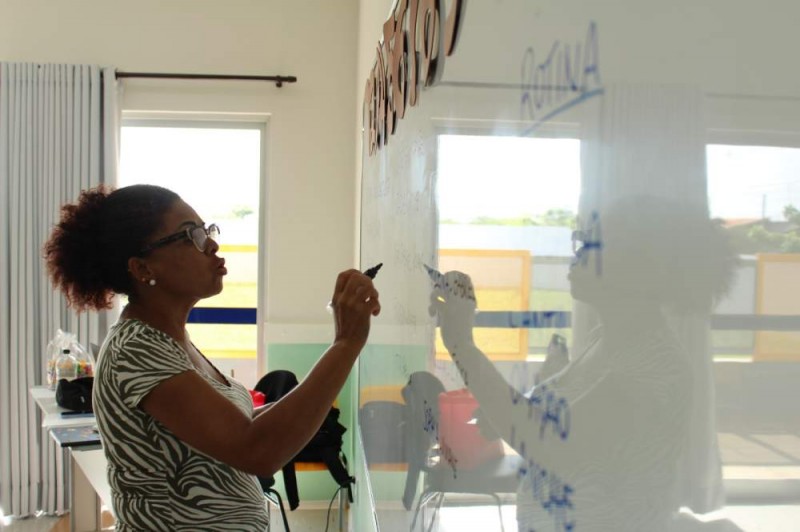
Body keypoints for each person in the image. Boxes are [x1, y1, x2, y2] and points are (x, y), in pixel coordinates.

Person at [44, 184, 380, 531]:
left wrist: (308, 407)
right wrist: (346, 343)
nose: (212, 244)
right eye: (191, 235)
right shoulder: (137, 350)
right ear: (142, 269)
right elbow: (256, 450)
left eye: (206, 231)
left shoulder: (170, 341)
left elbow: (223, 427)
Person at [429, 196, 737, 532]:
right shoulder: (603, 340)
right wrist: (501, 416)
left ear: (636, 268)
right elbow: (560, 427)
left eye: (590, 243)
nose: (576, 251)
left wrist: (461, 343)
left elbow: (546, 443)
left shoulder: (656, 365)